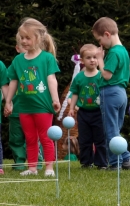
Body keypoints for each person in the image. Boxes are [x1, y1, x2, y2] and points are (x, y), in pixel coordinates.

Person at [4, 17, 61, 177]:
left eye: (27, 37)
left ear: (39, 38)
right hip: (24, 106)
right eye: (22, 37)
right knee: (29, 138)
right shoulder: (18, 60)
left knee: (45, 137)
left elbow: (51, 80)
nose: (24, 41)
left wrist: (55, 99)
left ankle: (49, 167)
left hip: (43, 106)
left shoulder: (47, 58)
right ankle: (33, 168)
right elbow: (13, 81)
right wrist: (8, 101)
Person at [92, 17, 130, 170]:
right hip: (121, 93)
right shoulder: (123, 51)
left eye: (100, 39)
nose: (100, 44)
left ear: (107, 34)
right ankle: (126, 159)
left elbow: (106, 75)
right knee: (116, 129)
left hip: (110, 92)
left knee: (110, 129)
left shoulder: (114, 53)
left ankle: (115, 163)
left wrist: (100, 59)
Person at [68, 44, 108, 169]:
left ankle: (101, 163)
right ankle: (86, 162)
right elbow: (74, 93)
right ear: (82, 61)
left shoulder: (102, 75)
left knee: (100, 139)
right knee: (85, 139)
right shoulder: (79, 77)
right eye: (88, 57)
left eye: (95, 57)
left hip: (99, 113)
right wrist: (71, 109)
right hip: (83, 113)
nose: (92, 60)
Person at [8, 37, 44, 171]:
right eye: (24, 48)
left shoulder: (38, 64)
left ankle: (37, 162)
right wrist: (8, 102)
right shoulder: (15, 64)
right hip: (16, 110)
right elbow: (7, 83)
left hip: (34, 109)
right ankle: (19, 162)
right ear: (18, 49)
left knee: (34, 137)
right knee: (16, 138)